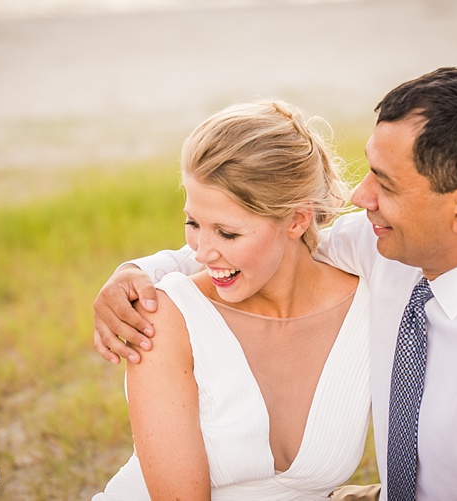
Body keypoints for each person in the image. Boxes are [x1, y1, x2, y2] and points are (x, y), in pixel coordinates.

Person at [94, 68, 457, 500]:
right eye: (368, 170)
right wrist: (140, 271)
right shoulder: (385, 247)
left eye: (384, 184)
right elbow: (261, 246)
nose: (356, 197)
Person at [93, 100, 372, 500]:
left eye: (227, 233)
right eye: (193, 223)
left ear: (296, 219)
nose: (202, 253)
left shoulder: (367, 306)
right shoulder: (168, 317)